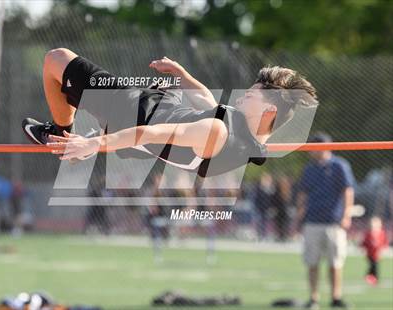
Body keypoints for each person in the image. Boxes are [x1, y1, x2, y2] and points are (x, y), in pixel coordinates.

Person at [22, 48, 318, 177]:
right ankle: (96, 136)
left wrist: (93, 145)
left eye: (253, 93)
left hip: (131, 111)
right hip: (161, 107)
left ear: (268, 109)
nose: (246, 93)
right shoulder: (246, 138)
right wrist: (183, 75)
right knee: (167, 85)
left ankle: (62, 134)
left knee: (54, 60)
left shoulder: (218, 132)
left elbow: (149, 133)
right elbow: (205, 100)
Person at [296, 132, 355, 309]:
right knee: (312, 262)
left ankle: (336, 297)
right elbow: (303, 194)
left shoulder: (339, 166)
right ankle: (314, 298)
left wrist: (346, 215)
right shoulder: (309, 168)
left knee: (335, 262)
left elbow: (348, 191)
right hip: (312, 221)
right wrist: (299, 216)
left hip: (333, 221)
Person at [361, 216, 389, 286]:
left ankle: (372, 277)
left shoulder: (382, 233)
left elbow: (384, 242)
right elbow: (364, 243)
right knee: (373, 265)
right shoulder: (368, 233)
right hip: (370, 254)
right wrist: (363, 248)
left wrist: (383, 249)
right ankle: (372, 277)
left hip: (377, 254)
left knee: (375, 266)